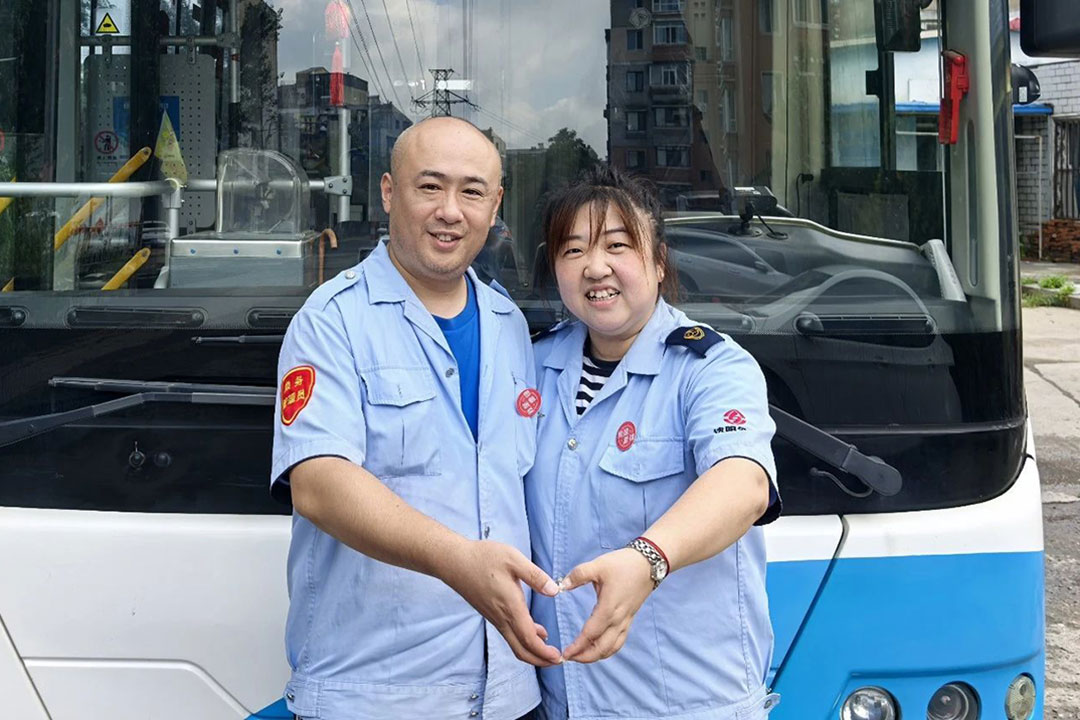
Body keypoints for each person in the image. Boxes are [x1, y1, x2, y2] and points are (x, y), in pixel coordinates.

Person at [270, 116, 562, 720]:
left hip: (509, 691)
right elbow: (318, 484)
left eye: (472, 192)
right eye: (429, 187)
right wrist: (459, 562)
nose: (449, 211)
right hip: (375, 698)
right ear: (388, 192)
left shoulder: (508, 324)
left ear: (495, 205)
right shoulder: (331, 321)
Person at [526, 165, 782, 720]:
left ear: (659, 262)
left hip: (685, 705)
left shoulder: (710, 366)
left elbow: (743, 484)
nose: (595, 267)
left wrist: (647, 559)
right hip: (561, 702)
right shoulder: (532, 366)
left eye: (617, 246)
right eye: (573, 250)